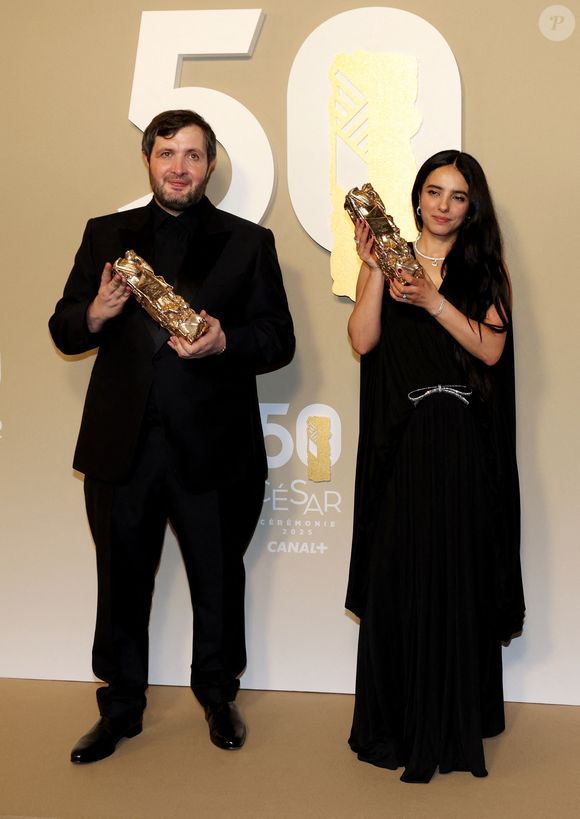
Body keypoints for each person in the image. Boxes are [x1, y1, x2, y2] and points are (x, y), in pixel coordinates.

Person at [49, 109, 295, 763]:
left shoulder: (250, 242)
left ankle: (218, 694)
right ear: (147, 160)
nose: (178, 167)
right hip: (121, 445)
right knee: (121, 581)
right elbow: (64, 327)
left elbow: (278, 338)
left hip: (214, 447)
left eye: (192, 154)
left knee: (218, 579)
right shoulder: (105, 234)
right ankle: (120, 708)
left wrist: (224, 341)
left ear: (210, 165)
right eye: (166, 153)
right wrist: (95, 313)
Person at [345, 150, 524, 783]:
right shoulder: (389, 261)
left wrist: (431, 300)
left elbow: (491, 350)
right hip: (402, 442)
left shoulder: (485, 268)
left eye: (458, 196)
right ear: (417, 198)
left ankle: (455, 718)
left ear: (472, 208)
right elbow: (363, 341)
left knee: (457, 574)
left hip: (463, 444)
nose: (443, 206)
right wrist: (374, 269)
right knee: (398, 571)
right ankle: (398, 719)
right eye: (434, 192)